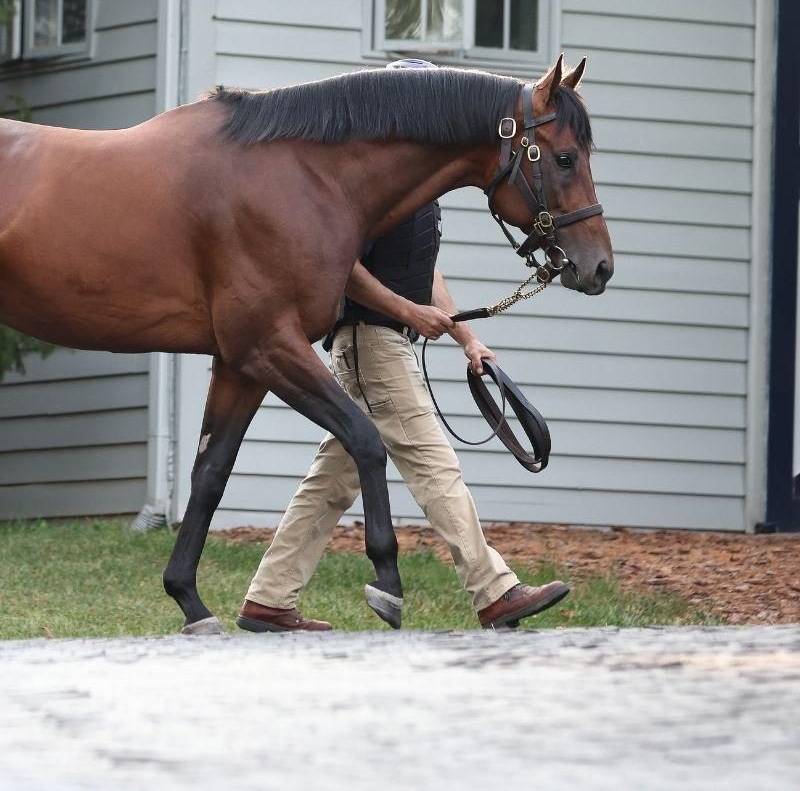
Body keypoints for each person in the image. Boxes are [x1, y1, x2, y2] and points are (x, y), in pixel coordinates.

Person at [237, 61, 570, 633]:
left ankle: (269, 599)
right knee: (431, 461)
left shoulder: (418, 186)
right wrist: (405, 312)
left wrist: (468, 336)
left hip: (386, 340)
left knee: (334, 478)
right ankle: (495, 591)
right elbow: (339, 267)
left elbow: (427, 269)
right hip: (369, 341)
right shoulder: (365, 182)